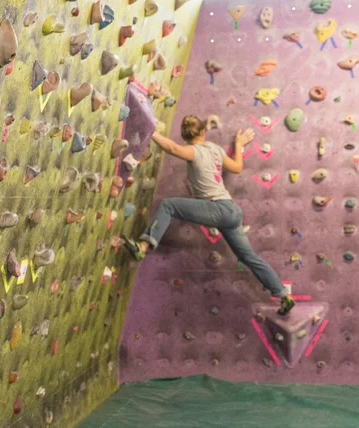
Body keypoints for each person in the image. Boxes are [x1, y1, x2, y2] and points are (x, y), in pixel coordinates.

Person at [125, 115, 294, 315]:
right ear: (203, 132)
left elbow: (173, 148)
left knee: (169, 206)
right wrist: (239, 145)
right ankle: (283, 294)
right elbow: (237, 168)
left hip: (218, 208)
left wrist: (152, 131)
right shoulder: (215, 149)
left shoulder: (193, 151)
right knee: (249, 257)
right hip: (231, 210)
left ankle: (143, 246)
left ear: (185, 136)